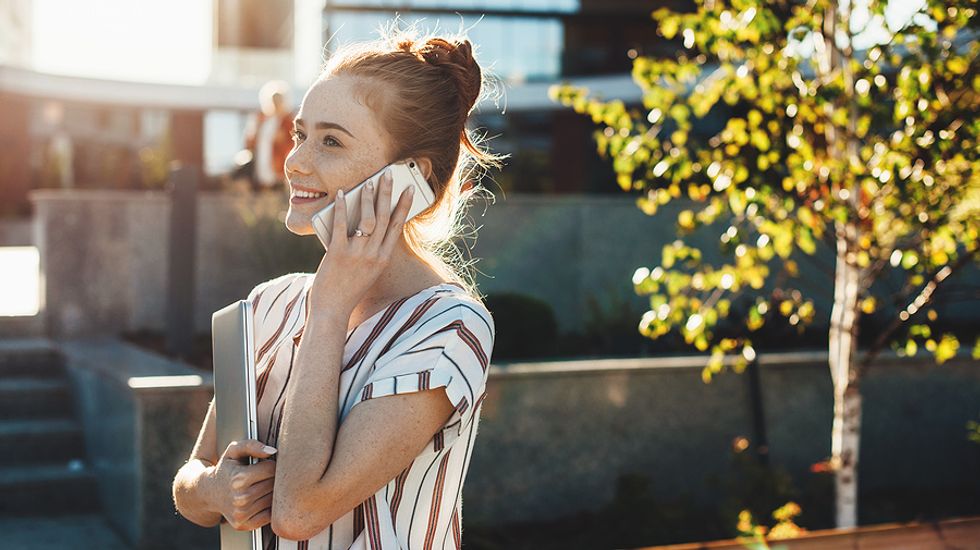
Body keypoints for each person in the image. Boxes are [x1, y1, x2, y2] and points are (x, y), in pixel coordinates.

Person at [172, 24, 504, 549]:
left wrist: (328, 310)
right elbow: (192, 479)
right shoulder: (269, 304)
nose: (296, 161)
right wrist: (216, 489)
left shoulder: (449, 327)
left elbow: (300, 511)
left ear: (407, 176)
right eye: (302, 134)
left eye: (331, 141)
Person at [241, 80, 295, 191]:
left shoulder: (288, 122)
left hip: (278, 171)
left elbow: (293, 145)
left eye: (278, 100)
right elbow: (249, 142)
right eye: (273, 100)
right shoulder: (261, 119)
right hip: (260, 167)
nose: (276, 104)